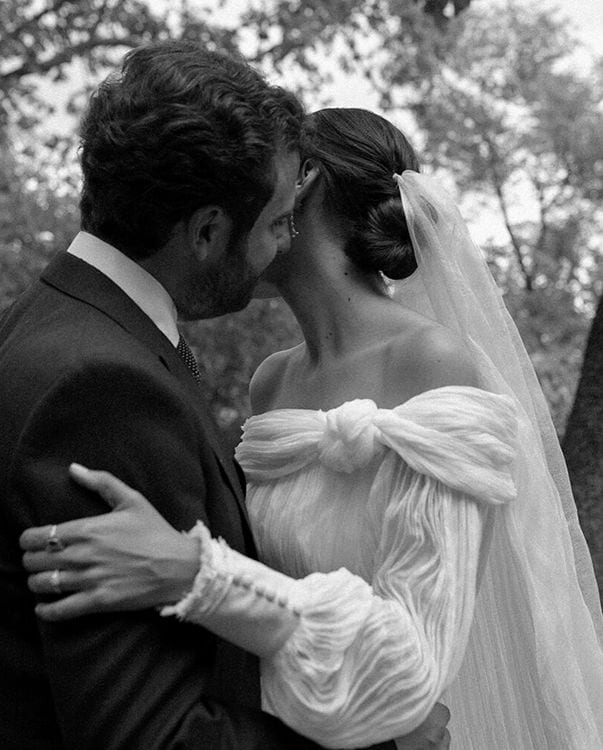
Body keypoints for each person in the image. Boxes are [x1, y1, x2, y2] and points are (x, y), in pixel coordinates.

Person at [19, 108, 603, 748]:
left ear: (303, 183)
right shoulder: (271, 382)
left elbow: (416, 660)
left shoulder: (432, 363)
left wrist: (199, 573)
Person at [0, 44, 417, 750]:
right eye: (279, 221)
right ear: (207, 232)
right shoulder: (104, 391)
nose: (285, 243)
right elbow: (153, 735)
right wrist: (382, 742)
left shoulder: (40, 320)